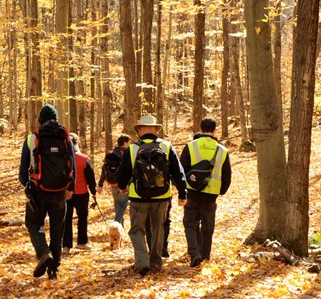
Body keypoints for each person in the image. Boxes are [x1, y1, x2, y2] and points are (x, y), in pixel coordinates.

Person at [117, 115, 187, 276]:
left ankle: (142, 262)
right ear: (156, 129)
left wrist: (122, 187)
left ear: (140, 130)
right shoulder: (167, 147)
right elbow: (178, 173)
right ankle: (156, 263)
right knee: (158, 230)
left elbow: (123, 173)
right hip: (162, 197)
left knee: (137, 230)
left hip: (138, 197)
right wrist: (182, 194)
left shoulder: (133, 149)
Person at [19, 104, 76, 280]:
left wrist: (28, 186)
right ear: (57, 119)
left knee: (34, 224)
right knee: (57, 229)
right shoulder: (66, 139)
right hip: (60, 190)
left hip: (38, 190)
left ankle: (44, 253)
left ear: (39, 120)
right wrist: (70, 188)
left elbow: (23, 172)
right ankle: (53, 269)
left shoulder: (31, 139)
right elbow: (72, 165)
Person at [179, 117, 231, 267]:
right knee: (208, 226)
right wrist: (222, 190)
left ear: (200, 129)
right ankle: (205, 256)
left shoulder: (190, 146)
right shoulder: (222, 150)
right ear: (215, 130)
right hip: (211, 195)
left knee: (190, 224)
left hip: (193, 192)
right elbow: (227, 174)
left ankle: (194, 254)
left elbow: (181, 170)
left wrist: (183, 190)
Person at [63, 133, 97, 253]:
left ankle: (66, 245)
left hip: (66, 193)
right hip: (82, 193)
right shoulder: (84, 158)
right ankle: (82, 242)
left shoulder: (62, 159)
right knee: (82, 217)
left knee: (67, 219)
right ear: (77, 143)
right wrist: (94, 191)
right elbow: (90, 177)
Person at [97, 134, 132, 226]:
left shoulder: (110, 153)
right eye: (129, 142)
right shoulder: (127, 153)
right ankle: (116, 225)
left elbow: (104, 168)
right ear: (125, 142)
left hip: (113, 183)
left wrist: (100, 184)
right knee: (122, 206)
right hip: (124, 185)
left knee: (118, 206)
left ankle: (120, 228)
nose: (130, 144)